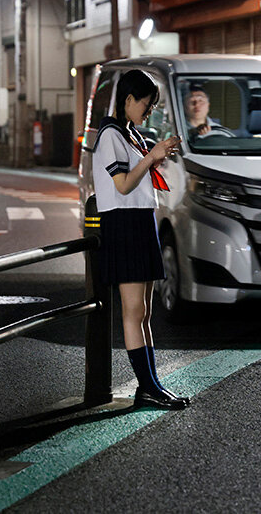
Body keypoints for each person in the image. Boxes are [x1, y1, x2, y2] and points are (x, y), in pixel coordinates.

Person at [91, 69, 188, 410]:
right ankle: (147, 387)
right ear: (129, 99)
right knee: (134, 311)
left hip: (140, 220)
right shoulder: (110, 136)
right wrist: (151, 157)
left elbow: (138, 178)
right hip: (123, 223)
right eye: (147, 104)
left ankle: (152, 385)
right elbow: (122, 185)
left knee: (145, 312)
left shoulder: (130, 134)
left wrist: (155, 157)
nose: (149, 111)